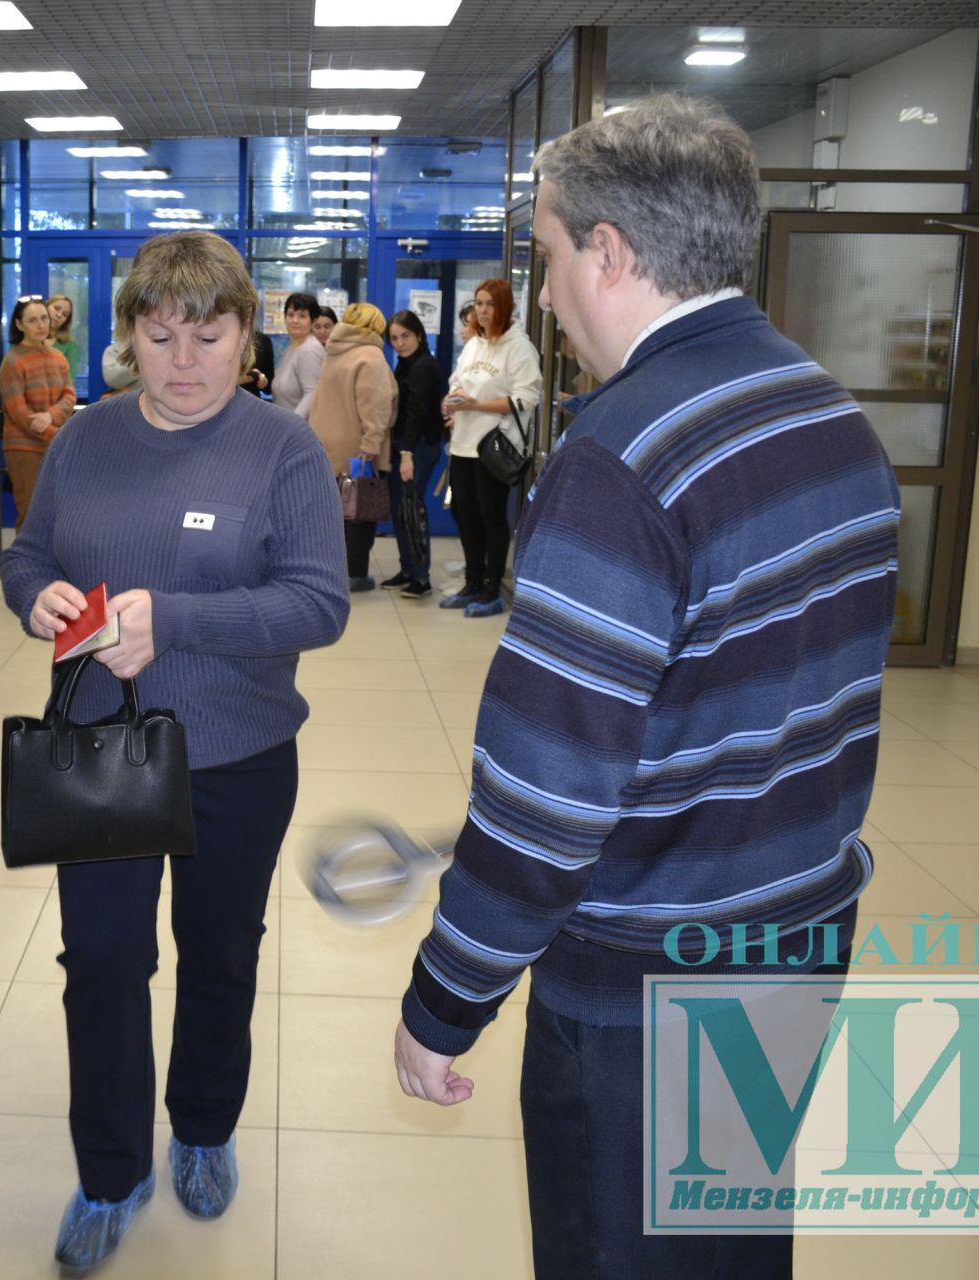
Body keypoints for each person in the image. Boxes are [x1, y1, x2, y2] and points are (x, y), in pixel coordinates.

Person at [390, 94, 899, 1280]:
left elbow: (546, 802)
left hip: (645, 995)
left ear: (610, 252)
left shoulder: (624, 456)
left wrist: (444, 998)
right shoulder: (828, 413)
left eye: (553, 256)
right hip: (792, 937)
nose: (550, 291)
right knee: (728, 1242)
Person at [0, 230, 348, 1271]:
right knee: (102, 959)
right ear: (129, 338)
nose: (184, 359)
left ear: (246, 336)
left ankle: (202, 1123)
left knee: (220, 947)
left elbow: (319, 601)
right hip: (100, 748)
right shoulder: (85, 439)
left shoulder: (280, 448)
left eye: (208, 334)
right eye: (160, 336)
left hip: (236, 752)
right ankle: (110, 1169)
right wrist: (37, 598)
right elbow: (27, 555)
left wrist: (177, 619)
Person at [438, 277, 541, 618]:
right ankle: (472, 582)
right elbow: (458, 383)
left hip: (493, 446)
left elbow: (527, 398)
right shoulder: (474, 345)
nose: (482, 311)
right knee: (465, 516)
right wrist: (450, 402)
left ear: (504, 307)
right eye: (479, 303)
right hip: (463, 444)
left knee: (491, 518)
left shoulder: (519, 347)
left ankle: (492, 589)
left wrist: (476, 405)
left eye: (489, 304)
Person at [302, 301, 395, 591]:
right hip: (357, 448)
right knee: (360, 513)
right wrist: (371, 443)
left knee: (338, 514)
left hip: (327, 443)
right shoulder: (370, 356)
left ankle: (337, 569)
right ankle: (355, 573)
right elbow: (375, 405)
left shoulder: (335, 351)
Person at [0, 295, 75, 530]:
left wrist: (50, 416)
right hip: (24, 447)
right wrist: (53, 433)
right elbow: (17, 410)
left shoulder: (59, 358)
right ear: (19, 325)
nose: (41, 325)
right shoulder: (12, 361)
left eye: (44, 318)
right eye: (32, 320)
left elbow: (69, 396)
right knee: (30, 512)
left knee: (59, 511)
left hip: (54, 442)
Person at [382, 309, 445, 599]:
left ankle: (421, 577)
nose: (400, 343)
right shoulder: (406, 364)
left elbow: (417, 414)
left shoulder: (423, 367)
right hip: (405, 446)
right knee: (400, 508)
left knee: (411, 510)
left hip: (418, 448)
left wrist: (406, 454)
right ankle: (408, 569)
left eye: (405, 336)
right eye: (394, 338)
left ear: (419, 335)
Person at [270, 290, 325, 417]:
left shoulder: (309, 350)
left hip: (297, 431)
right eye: (290, 314)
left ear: (314, 320)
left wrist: (292, 428)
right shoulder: (290, 349)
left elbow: (312, 394)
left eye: (302, 316)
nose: (295, 320)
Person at [48, 292, 82, 388]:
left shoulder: (70, 343)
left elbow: (70, 379)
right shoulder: (27, 337)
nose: (59, 315)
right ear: (46, 307)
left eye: (65, 314)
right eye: (56, 308)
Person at [237, 326, 274, 397]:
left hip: (251, 400)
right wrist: (242, 379)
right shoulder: (222, 339)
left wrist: (263, 382)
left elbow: (269, 386)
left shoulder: (263, 340)